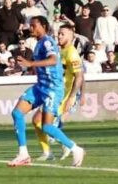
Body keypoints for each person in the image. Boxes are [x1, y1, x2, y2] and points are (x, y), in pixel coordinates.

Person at [7, 16, 85, 168]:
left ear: (43, 26)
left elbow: (53, 60)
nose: (31, 28)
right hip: (40, 86)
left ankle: (75, 149)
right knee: (17, 113)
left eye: (34, 25)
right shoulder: (39, 43)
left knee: (47, 127)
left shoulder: (47, 41)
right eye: (30, 25)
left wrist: (30, 63)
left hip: (52, 89)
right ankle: (23, 154)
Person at [33, 24, 85, 162]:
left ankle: (70, 147)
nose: (59, 36)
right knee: (38, 121)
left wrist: (73, 97)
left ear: (71, 35)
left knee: (43, 123)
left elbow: (79, 76)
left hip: (61, 94)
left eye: (62, 34)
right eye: (58, 34)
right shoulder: (58, 50)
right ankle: (51, 151)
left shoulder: (72, 53)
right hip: (51, 90)